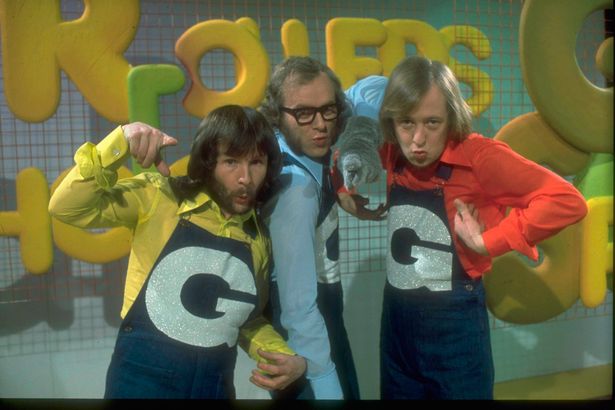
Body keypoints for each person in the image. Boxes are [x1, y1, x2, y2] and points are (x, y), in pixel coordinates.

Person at [339, 56, 589, 399]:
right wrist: (343, 188)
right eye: (407, 123)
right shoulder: (394, 150)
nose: (418, 140)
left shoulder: (480, 157)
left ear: (451, 116)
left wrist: (491, 242)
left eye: (432, 122)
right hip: (397, 320)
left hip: (455, 326)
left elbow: (566, 200)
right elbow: (348, 147)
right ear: (392, 121)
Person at [48, 105, 306, 399]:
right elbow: (66, 207)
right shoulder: (160, 198)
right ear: (208, 162)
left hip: (214, 389)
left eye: (256, 162)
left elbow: (247, 318)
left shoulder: (258, 237)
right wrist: (120, 140)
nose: (245, 177)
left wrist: (286, 357)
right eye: (231, 161)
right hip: (142, 383)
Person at [258, 56, 374, 400]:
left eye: (328, 109)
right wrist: (325, 386)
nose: (321, 125)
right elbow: (297, 307)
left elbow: (374, 87)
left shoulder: (301, 149)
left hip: (320, 307)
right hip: (305, 321)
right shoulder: (296, 189)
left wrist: (341, 180)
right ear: (277, 114)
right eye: (304, 113)